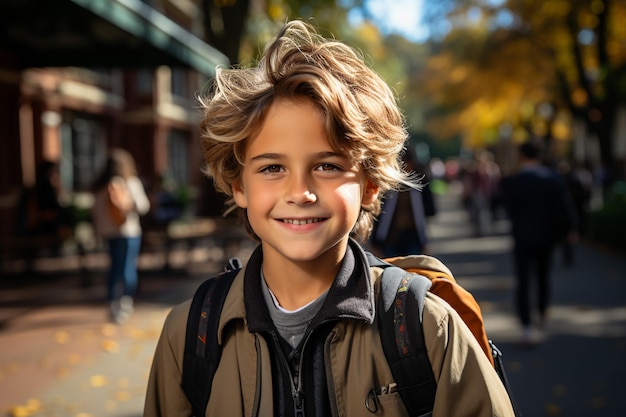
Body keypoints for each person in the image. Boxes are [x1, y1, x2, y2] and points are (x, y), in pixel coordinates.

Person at [144, 20, 515, 417]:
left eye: (327, 166)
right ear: (239, 186)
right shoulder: (188, 336)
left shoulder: (429, 331)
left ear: (370, 184)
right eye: (272, 168)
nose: (299, 193)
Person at [502, 140, 577, 346]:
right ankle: (542, 314)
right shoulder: (553, 179)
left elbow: (509, 209)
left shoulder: (515, 180)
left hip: (522, 236)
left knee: (523, 281)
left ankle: (526, 325)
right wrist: (569, 230)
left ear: (522, 156)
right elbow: (564, 207)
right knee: (543, 277)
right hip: (547, 236)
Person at [92, 148, 150, 324]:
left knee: (114, 267)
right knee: (127, 267)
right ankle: (125, 301)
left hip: (109, 234)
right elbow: (143, 206)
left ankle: (112, 302)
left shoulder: (100, 187)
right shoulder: (130, 183)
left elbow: (95, 212)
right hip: (128, 232)